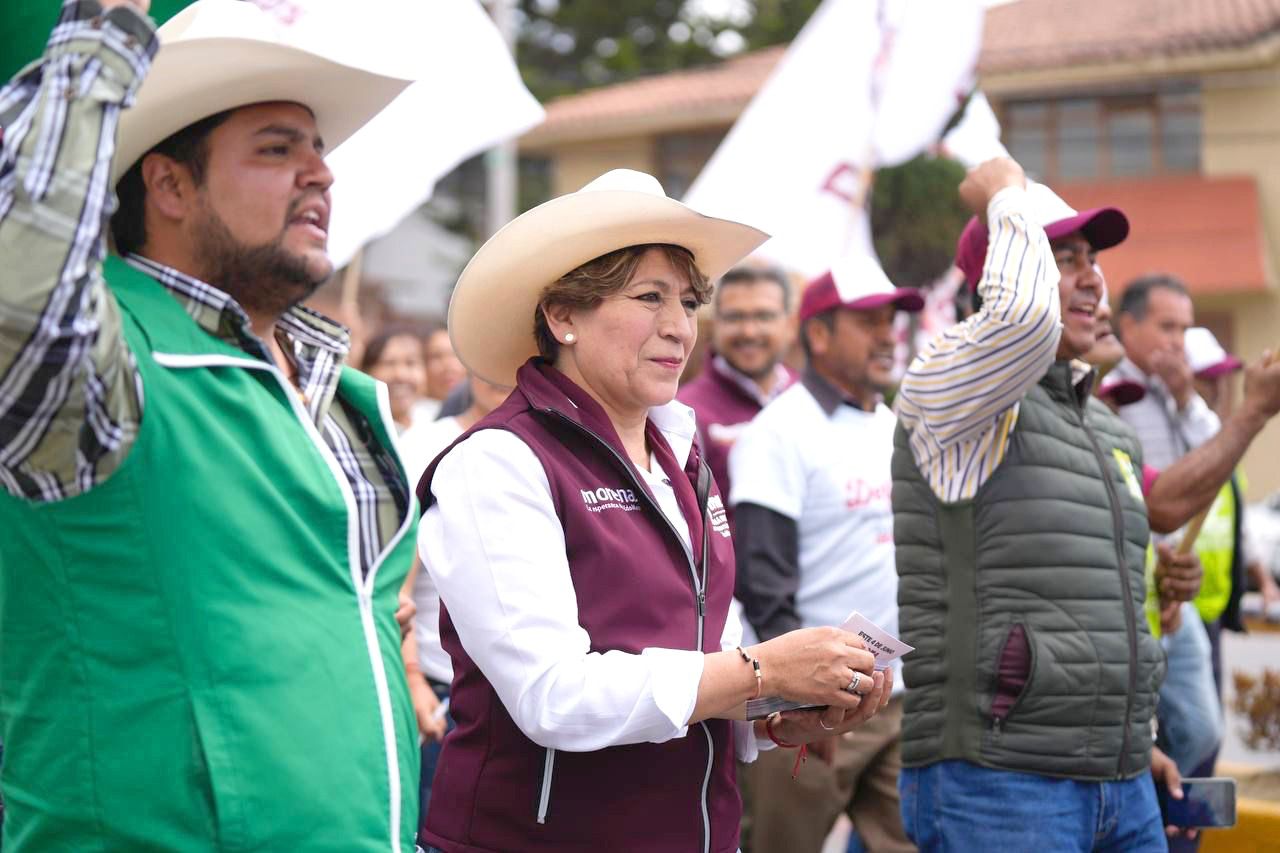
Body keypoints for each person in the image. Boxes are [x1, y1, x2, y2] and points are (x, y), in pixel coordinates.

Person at [0, 1, 421, 848]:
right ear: (170, 185)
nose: (321, 174)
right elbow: (21, 284)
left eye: (320, 151)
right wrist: (101, 41)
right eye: (278, 148)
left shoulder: (347, 396)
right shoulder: (103, 362)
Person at [414, 169, 893, 853]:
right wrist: (761, 671)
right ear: (563, 315)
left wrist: (779, 707)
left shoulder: (681, 453)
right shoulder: (498, 460)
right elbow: (554, 693)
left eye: (690, 301)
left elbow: (696, 660)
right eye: (649, 297)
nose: (678, 327)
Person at [892, 159, 1174, 850]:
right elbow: (1020, 319)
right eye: (1060, 256)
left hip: (1122, 776)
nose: (1091, 277)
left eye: (1092, 259)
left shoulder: (1105, 424)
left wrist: (1135, 737)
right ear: (1004, 268)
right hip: (999, 780)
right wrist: (1003, 195)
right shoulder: (947, 383)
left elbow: (1099, 603)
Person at [730, 258, 922, 853]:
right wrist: (810, 701)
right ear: (818, 334)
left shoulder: (892, 425)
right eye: (869, 322)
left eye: (892, 320)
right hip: (810, 703)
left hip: (892, 695)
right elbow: (763, 583)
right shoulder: (778, 431)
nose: (888, 334)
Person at [398, 374, 512, 841]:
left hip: (525, 701)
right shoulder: (431, 444)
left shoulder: (557, 441)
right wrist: (411, 676)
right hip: (444, 693)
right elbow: (394, 580)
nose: (498, 372)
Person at [677, 265, 796, 532]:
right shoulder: (685, 413)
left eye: (764, 316)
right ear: (714, 324)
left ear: (790, 325)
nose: (750, 332)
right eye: (735, 317)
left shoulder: (808, 400)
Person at [362, 325, 430, 432]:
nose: (401, 375)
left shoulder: (436, 425)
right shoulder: (358, 433)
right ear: (366, 372)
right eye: (388, 363)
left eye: (410, 363)